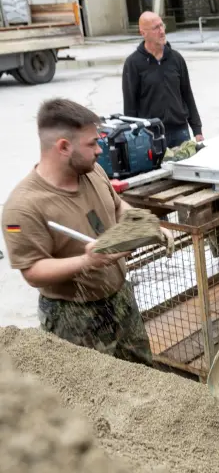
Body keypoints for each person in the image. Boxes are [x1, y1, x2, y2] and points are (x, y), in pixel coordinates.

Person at [2, 99, 155, 365]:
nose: (99, 150)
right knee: (94, 395)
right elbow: (33, 272)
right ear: (63, 146)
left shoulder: (92, 171)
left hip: (120, 300)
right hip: (73, 317)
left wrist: (140, 222)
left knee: (143, 375)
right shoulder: (23, 207)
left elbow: (117, 206)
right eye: (92, 144)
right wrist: (86, 262)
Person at [122, 11, 203, 148]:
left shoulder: (176, 59)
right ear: (143, 33)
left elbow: (187, 95)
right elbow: (130, 106)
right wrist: (133, 138)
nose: (161, 31)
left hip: (180, 132)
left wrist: (197, 130)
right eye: (155, 28)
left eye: (162, 25)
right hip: (150, 135)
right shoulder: (133, 63)